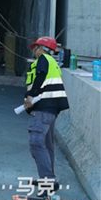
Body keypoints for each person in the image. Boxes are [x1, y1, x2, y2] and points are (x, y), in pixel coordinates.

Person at [23, 36, 69, 187]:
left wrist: (31, 95)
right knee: (47, 145)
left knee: (36, 143)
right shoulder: (53, 63)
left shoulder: (43, 59)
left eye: (35, 48)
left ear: (41, 48)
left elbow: (40, 76)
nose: (34, 51)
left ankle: (48, 180)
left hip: (42, 109)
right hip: (51, 110)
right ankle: (48, 178)